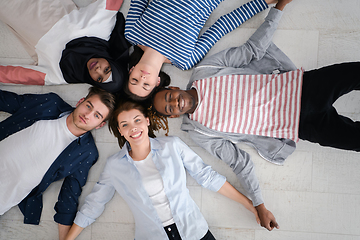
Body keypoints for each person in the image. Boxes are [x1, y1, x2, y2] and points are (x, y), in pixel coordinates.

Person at [152, 0, 301, 231]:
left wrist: (278, 8)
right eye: (169, 109)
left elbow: (250, 50)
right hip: (294, 126)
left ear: (172, 89)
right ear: (173, 117)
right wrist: (258, 204)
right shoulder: (199, 132)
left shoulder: (205, 71)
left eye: (169, 98)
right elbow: (238, 162)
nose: (174, 103)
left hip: (296, 87)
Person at [64, 100, 260, 240]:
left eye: (137, 120)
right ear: (121, 131)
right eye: (125, 125)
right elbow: (94, 204)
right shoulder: (115, 165)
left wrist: (253, 206)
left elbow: (206, 176)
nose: (133, 128)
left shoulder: (172, 145)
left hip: (194, 231)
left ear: (147, 121)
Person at [0, 87, 116, 240]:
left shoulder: (86, 153)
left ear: (100, 124)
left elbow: (70, 194)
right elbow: (9, 101)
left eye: (97, 115)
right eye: (88, 106)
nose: (87, 115)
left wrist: (64, 238)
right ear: (80, 101)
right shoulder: (50, 103)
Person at [124, 0, 279, 99]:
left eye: (135, 80)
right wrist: (262, 2)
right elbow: (221, 27)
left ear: (131, 70)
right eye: (146, 85)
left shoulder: (132, 33)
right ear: (157, 82)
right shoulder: (185, 60)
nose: (142, 78)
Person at [0, 0, 129, 92]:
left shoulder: (63, 75)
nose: (98, 70)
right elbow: (111, 3)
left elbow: (18, 75)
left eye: (99, 78)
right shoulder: (101, 30)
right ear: (112, 61)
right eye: (107, 69)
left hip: (12, 11)